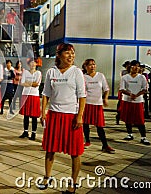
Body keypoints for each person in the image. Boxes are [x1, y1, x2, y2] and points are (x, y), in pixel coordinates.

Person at [39, 43, 86, 193]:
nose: (71, 56)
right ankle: (47, 177)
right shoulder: (51, 72)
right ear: (59, 55)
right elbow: (46, 94)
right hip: (54, 115)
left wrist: (79, 116)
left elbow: (82, 96)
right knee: (50, 149)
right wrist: (43, 113)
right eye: (67, 53)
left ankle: (73, 182)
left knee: (75, 152)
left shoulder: (76, 72)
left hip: (71, 116)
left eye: (72, 53)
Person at [82, 59, 115, 154]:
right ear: (85, 67)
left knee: (99, 126)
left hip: (97, 104)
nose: (92, 66)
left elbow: (106, 89)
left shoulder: (100, 76)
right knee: (85, 124)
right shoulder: (83, 77)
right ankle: (87, 141)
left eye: (94, 64)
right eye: (90, 65)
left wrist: (105, 98)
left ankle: (105, 145)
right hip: (87, 104)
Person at [119, 60, 151, 145]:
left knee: (140, 120)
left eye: (138, 66)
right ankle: (129, 134)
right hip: (127, 100)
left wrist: (136, 95)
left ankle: (143, 137)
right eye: (134, 66)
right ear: (130, 67)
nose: (136, 68)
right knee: (128, 118)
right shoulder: (125, 77)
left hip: (138, 101)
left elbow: (145, 89)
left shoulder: (142, 77)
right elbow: (122, 89)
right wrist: (130, 94)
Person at [19, 58, 41, 140]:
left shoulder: (38, 73)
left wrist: (27, 83)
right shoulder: (25, 72)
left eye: (34, 62)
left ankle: (33, 133)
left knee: (34, 116)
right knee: (26, 115)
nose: (32, 64)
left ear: (36, 64)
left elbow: (36, 84)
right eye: (31, 62)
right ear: (28, 64)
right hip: (25, 94)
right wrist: (30, 83)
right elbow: (22, 83)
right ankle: (25, 131)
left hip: (34, 95)